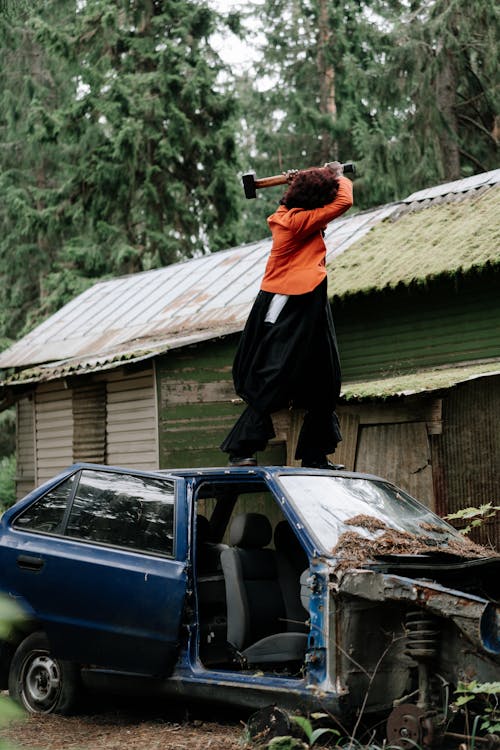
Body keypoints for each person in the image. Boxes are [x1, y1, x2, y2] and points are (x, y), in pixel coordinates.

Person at [220, 162, 354, 468]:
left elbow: (310, 203)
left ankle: (315, 455)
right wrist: (338, 176)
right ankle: (241, 449)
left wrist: (301, 181)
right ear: (314, 202)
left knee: (325, 377)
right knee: (275, 371)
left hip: (311, 297)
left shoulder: (299, 215)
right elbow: (344, 201)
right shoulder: (294, 223)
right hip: (286, 299)